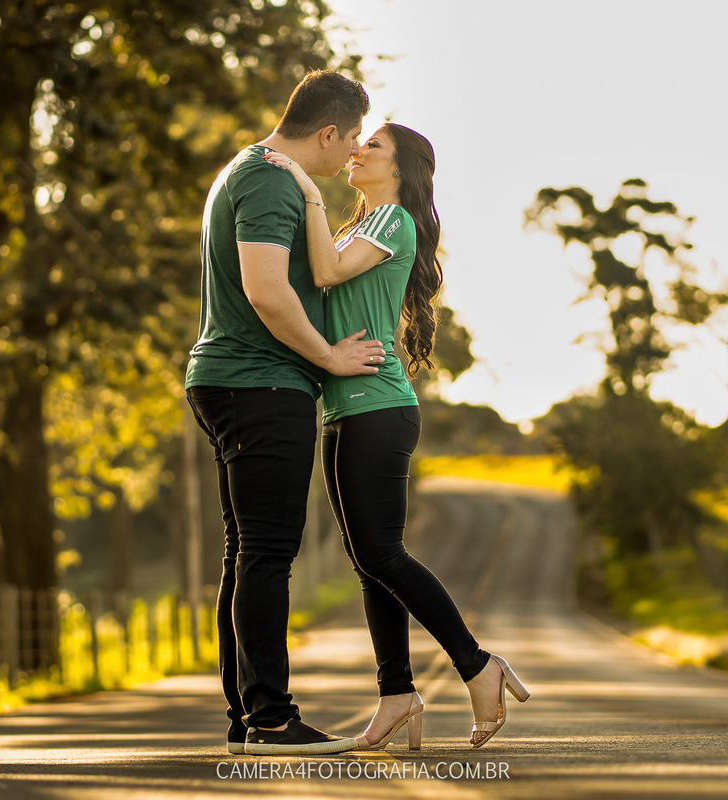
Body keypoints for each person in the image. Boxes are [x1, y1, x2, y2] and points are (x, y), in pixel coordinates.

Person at [263, 124, 530, 750]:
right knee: (367, 563)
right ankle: (396, 692)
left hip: (378, 409)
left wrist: (303, 186)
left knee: (381, 555)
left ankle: (476, 665)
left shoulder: (391, 223)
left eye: (371, 146)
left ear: (402, 169)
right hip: (346, 410)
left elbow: (324, 274)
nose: (356, 152)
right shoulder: (359, 226)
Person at [184, 70, 385, 756]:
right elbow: (268, 291)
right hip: (260, 384)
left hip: (232, 380)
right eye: (352, 137)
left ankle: (250, 718)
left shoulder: (252, 168)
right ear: (328, 133)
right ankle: (271, 719)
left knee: (247, 553)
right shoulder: (270, 179)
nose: (352, 152)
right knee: (267, 552)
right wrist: (328, 356)